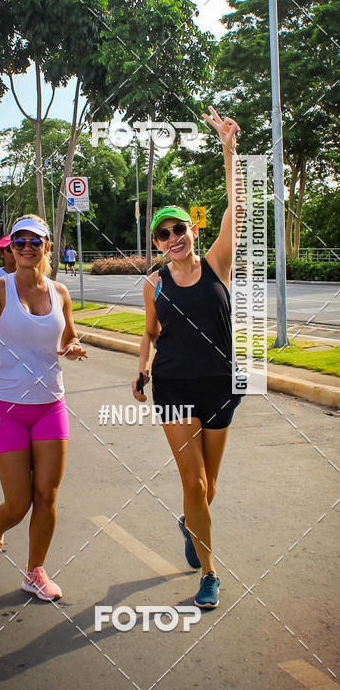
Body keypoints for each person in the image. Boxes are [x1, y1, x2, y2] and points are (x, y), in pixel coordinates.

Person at [132, 106, 245, 611]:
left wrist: (229, 149)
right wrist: (140, 370)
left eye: (180, 228)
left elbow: (235, 207)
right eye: (164, 234)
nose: (174, 237)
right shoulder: (153, 284)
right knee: (193, 481)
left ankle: (189, 522)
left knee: (210, 485)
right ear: (156, 243)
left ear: (192, 231)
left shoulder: (219, 263)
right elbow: (151, 334)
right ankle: (210, 573)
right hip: (174, 386)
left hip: (221, 384)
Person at [0, 214, 87, 601]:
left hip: (50, 407)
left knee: (46, 496)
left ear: (46, 246)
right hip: (7, 408)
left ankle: (34, 572)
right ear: (10, 248)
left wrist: (72, 349)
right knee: (18, 502)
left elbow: (68, 339)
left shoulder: (60, 292)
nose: (27, 248)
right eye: (19, 242)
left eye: (34, 241)